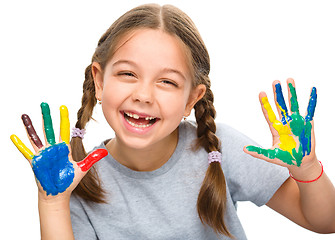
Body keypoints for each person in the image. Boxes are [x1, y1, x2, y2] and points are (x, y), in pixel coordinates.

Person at [10, 3, 335, 240]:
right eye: (127, 74)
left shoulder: (219, 149)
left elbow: (325, 222)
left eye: (167, 82)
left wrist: (307, 170)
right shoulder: (78, 179)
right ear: (99, 80)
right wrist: (53, 203)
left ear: (191, 99)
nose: (144, 94)